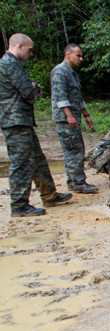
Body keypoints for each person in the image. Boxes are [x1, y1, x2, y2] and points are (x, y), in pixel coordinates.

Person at [0, 33, 72, 216]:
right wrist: (33, 88)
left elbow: (32, 88)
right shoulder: (9, 64)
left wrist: (33, 87)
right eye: (30, 50)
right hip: (14, 120)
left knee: (38, 159)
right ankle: (19, 205)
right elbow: (27, 91)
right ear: (19, 46)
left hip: (21, 119)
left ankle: (49, 195)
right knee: (22, 162)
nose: (31, 54)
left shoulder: (14, 64)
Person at [50, 43, 98, 194]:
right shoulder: (60, 72)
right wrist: (68, 115)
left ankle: (73, 181)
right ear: (67, 54)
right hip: (66, 120)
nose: (81, 59)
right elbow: (60, 96)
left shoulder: (72, 73)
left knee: (75, 148)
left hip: (74, 117)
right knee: (74, 150)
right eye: (78, 55)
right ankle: (78, 182)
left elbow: (77, 97)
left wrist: (86, 115)